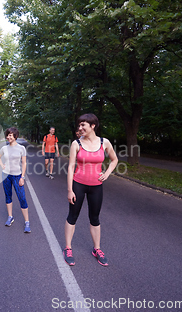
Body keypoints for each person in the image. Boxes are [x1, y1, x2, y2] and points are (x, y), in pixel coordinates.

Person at [63, 113, 118, 267]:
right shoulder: (76, 144)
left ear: (93, 126)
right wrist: (69, 190)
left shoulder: (104, 142)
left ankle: (97, 249)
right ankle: (68, 248)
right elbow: (71, 167)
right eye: (79, 125)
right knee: (73, 216)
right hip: (78, 185)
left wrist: (106, 174)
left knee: (95, 218)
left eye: (83, 125)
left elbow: (114, 160)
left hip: (96, 187)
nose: (80, 128)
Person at [0, 127, 31, 233]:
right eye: (7, 135)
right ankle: (10, 217)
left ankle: (27, 222)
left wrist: (23, 177)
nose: (8, 137)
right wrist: (2, 165)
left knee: (22, 198)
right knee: (8, 196)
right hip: (6, 175)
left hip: (17, 176)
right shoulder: (4, 148)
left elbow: (24, 163)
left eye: (10, 135)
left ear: (15, 136)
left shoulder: (21, 148)